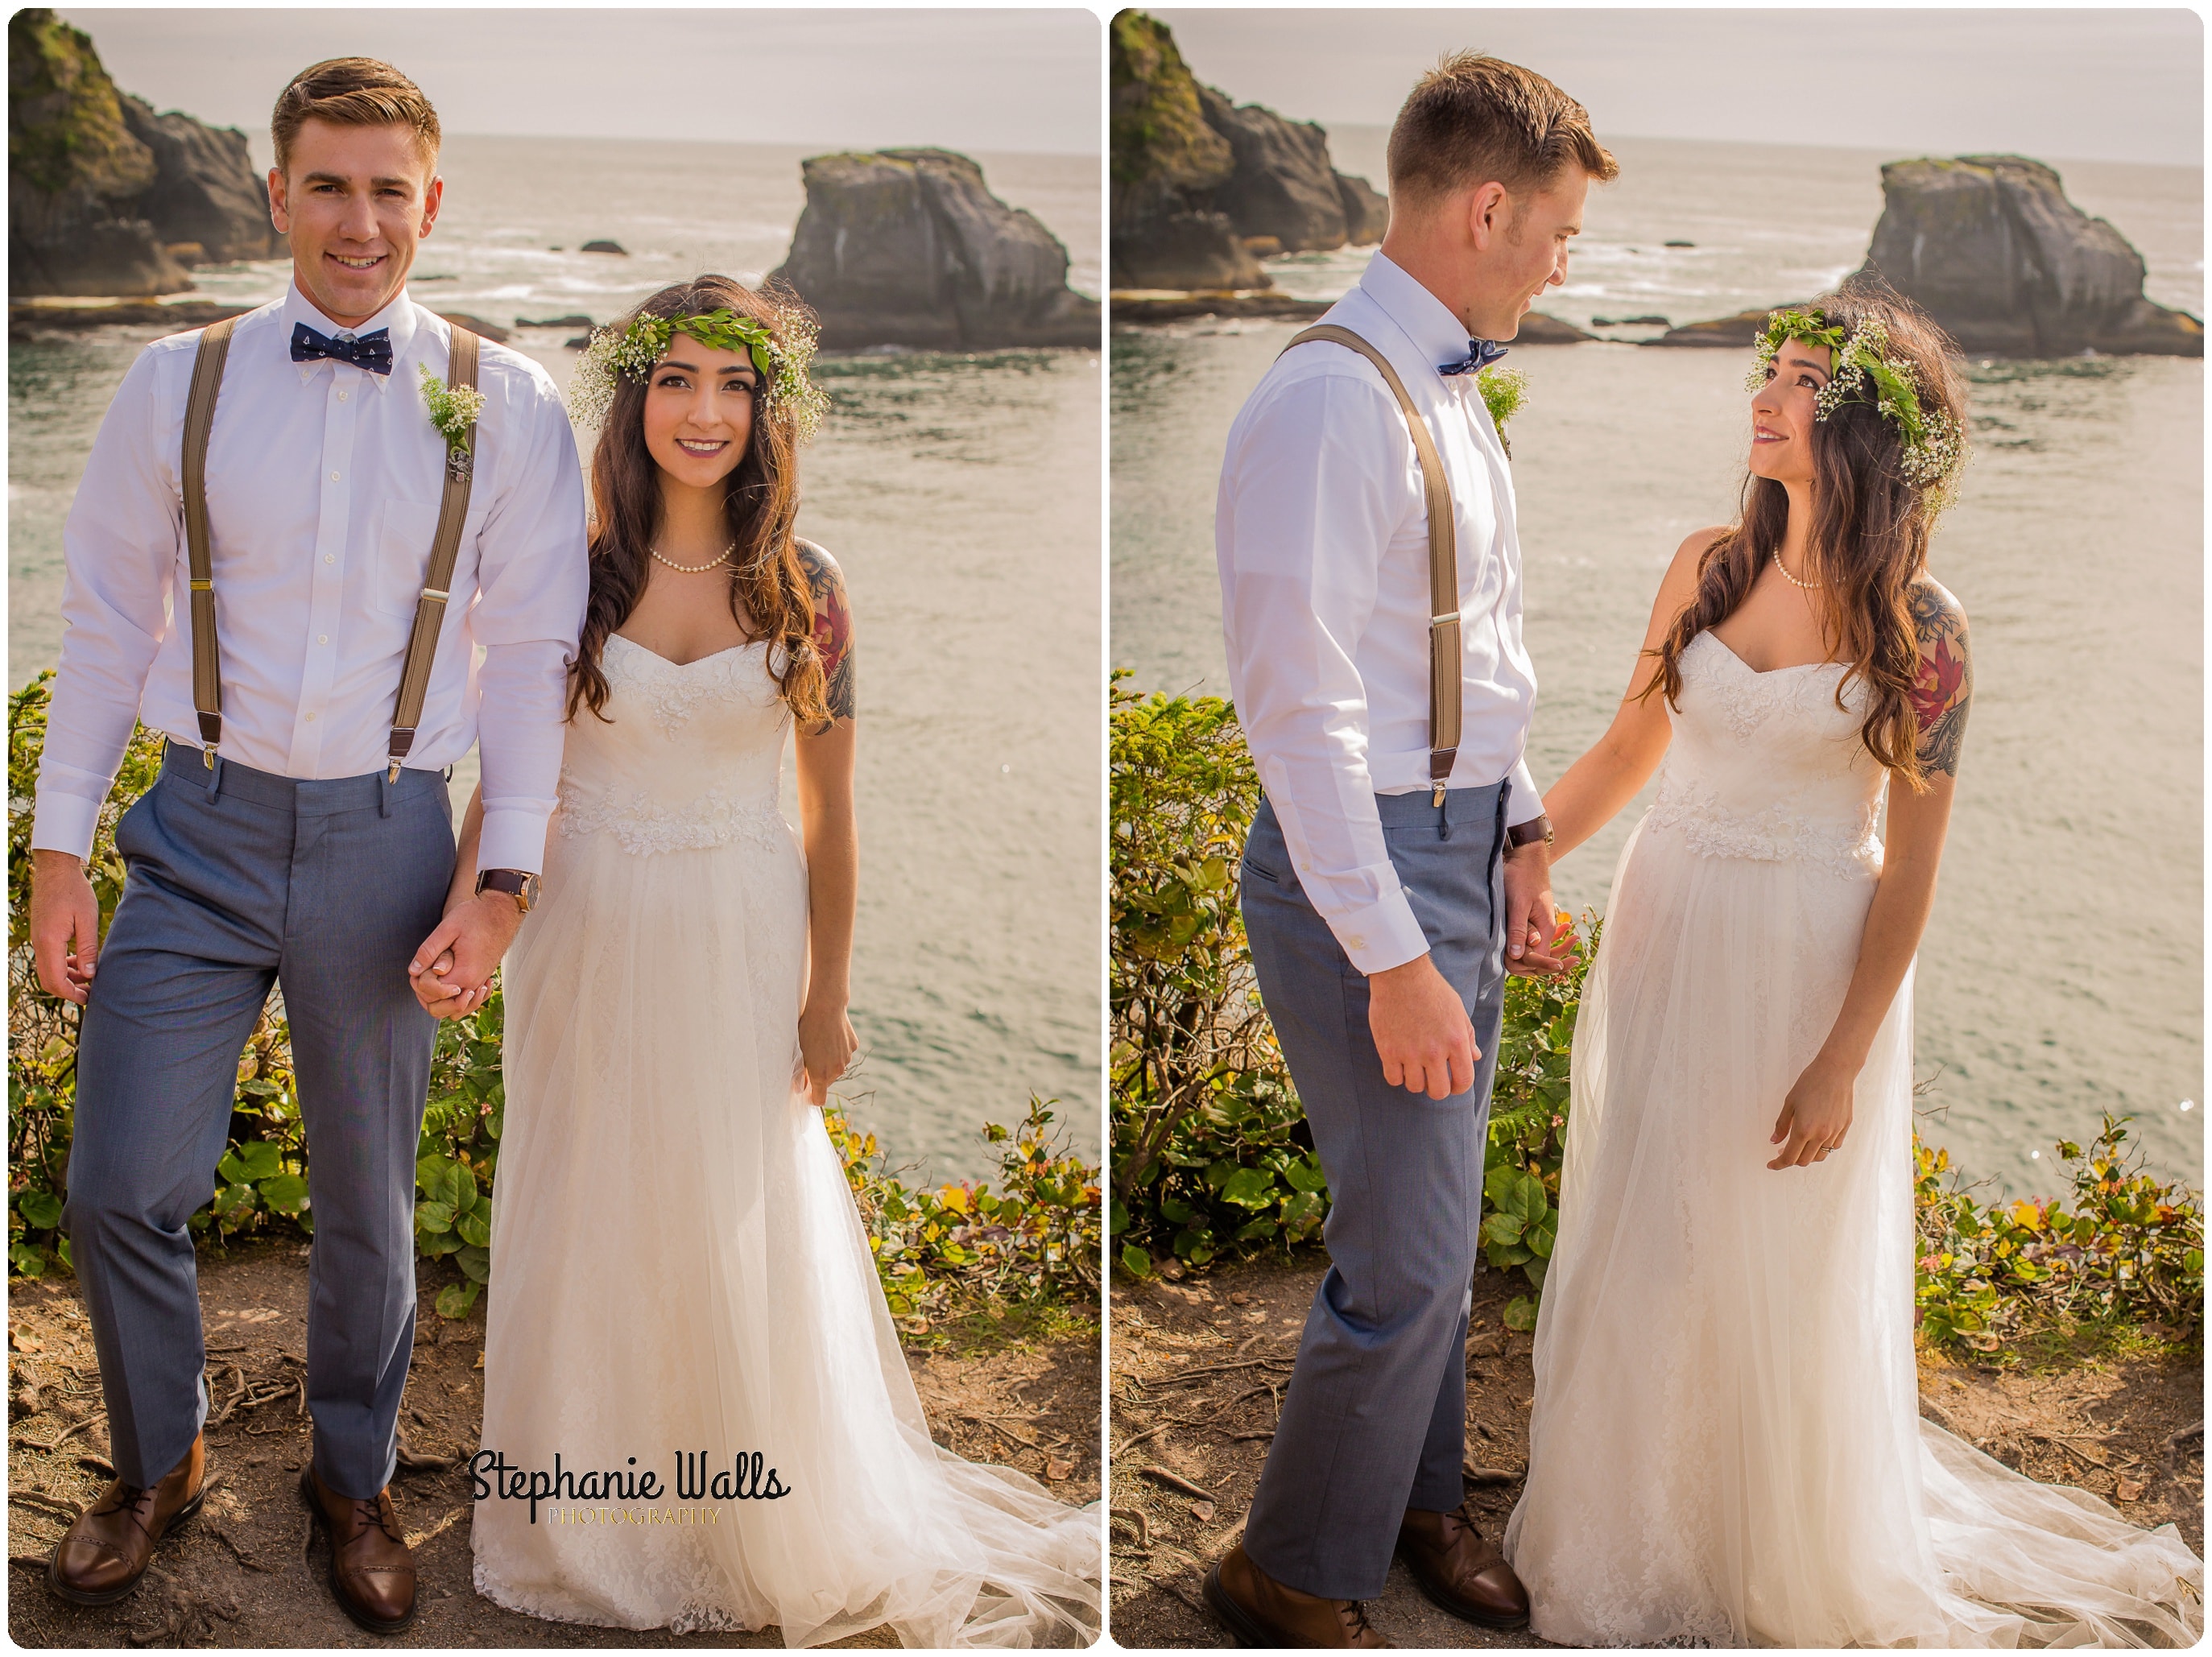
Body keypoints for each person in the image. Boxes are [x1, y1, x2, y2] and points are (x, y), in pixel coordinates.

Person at [1504, 285, 2204, 1646]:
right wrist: (1524, 862)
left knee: (1776, 1265)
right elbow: (1622, 754)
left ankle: (1767, 1547)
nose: (1763, 398)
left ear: (1871, 428)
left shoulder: (1923, 630)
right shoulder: (1707, 564)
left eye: (1802, 382)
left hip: (1805, 968)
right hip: (1664, 931)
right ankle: (1624, 1533)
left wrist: (1841, 1055)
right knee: (1654, 1238)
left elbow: (1916, 865)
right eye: (1768, 376)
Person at [433, 277, 1099, 1647]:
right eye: (676, 380)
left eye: (734, 385)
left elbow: (830, 810)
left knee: (738, 1197)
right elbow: (515, 773)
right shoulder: (570, 557)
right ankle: (590, 1501)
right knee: (589, 1185)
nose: (705, 411)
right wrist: (473, 912)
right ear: (636, 400)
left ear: (768, 408)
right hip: (587, 926)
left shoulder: (813, 587)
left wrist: (829, 991)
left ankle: (743, 1500)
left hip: (742, 923)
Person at [26, 59, 587, 1633]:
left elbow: (535, 663)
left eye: (388, 190)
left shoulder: (511, 402)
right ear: (277, 194)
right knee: (120, 1182)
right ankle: (163, 1457)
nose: (359, 221)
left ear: (432, 202)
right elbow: (100, 618)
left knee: (369, 1206)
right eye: (327, 187)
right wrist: (59, 850)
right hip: (195, 833)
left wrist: (500, 885)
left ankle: (354, 1478)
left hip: (388, 838)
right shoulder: (173, 384)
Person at [1202, 53, 1615, 1650]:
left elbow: (1472, 653)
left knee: (1430, 1229)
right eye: (1559, 233)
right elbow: (1300, 715)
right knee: (1408, 1252)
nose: (1565, 265)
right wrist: (1389, 955)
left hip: (1454, 843)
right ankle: (1292, 1570)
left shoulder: (1449, 383)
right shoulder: (1327, 402)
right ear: (1489, 207)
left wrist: (1517, 837)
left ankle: (1419, 1506)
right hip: (1357, 865)